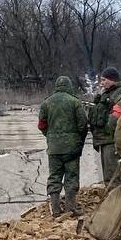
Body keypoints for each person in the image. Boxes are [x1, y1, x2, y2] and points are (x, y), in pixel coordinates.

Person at [37, 75, 87, 215]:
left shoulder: (46, 103)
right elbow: (83, 124)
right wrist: (78, 139)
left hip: (54, 148)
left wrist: (50, 135)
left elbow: (41, 125)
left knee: (54, 176)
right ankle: (71, 207)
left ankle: (55, 208)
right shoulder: (75, 102)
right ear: (69, 86)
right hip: (71, 147)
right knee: (71, 176)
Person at [88, 67, 121, 183]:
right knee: (109, 177)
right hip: (104, 140)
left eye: (104, 80)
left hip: (113, 141)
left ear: (113, 79)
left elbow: (116, 117)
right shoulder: (107, 94)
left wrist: (110, 129)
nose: (102, 83)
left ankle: (117, 200)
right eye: (101, 80)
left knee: (113, 177)